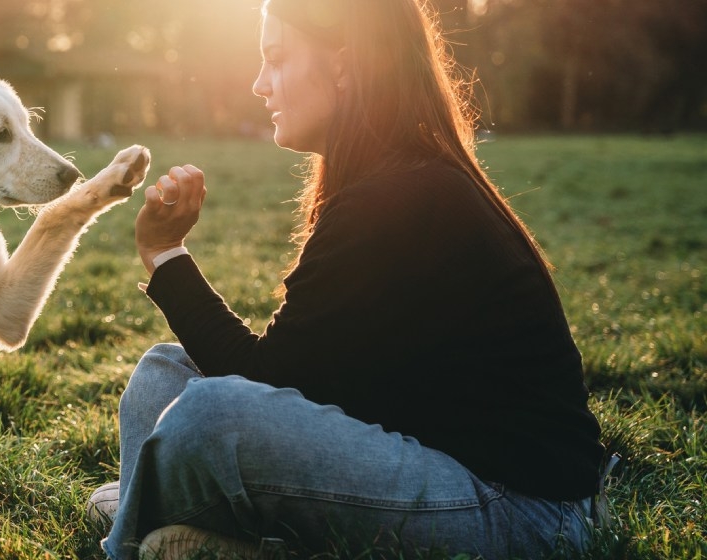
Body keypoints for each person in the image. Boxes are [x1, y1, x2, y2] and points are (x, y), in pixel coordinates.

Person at [91, 0, 606, 559]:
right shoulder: (386, 179)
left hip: (523, 515)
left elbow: (264, 380)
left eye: (278, 59)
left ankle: (135, 528)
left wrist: (165, 252)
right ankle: (168, 518)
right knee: (163, 373)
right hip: (429, 453)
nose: (260, 84)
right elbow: (307, 380)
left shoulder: (399, 196)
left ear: (342, 64)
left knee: (212, 414)